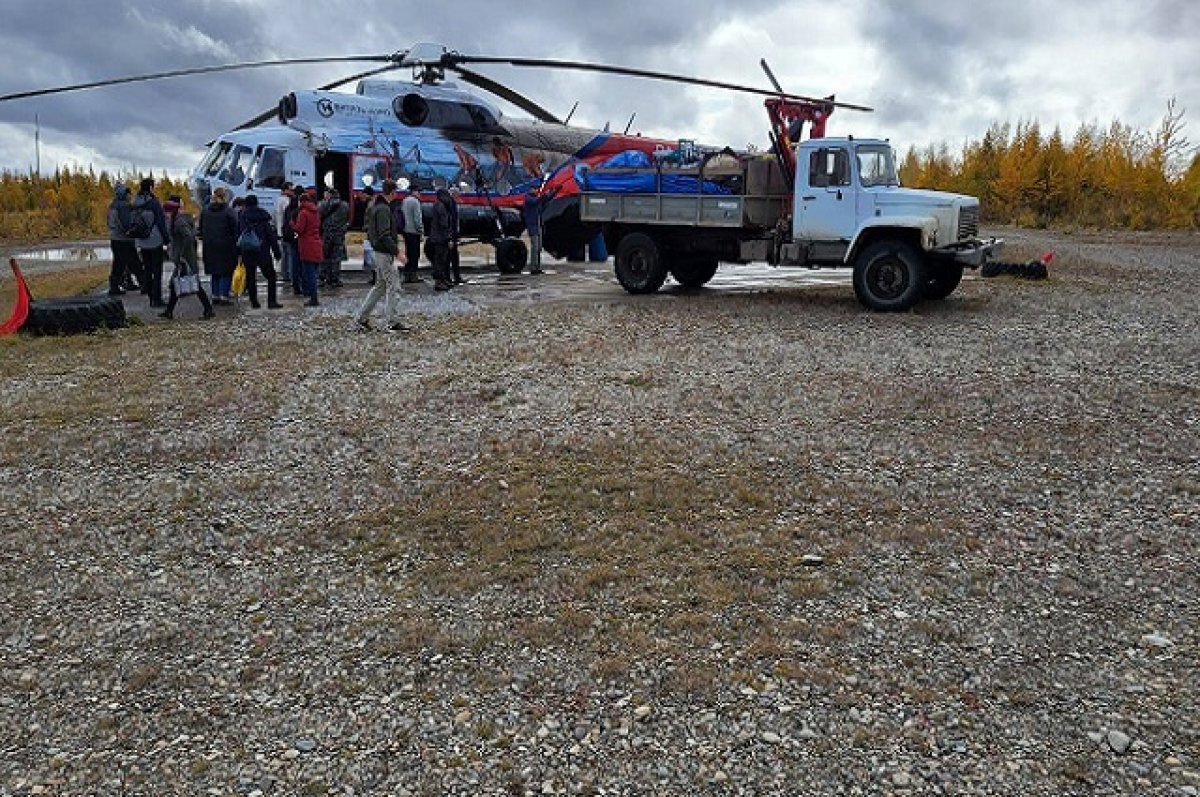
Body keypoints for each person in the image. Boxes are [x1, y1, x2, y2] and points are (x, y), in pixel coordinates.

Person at [354, 179, 410, 333]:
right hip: (384, 253)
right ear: (392, 192)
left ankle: (362, 318)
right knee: (394, 286)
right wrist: (397, 252)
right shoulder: (384, 209)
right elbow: (385, 234)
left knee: (380, 286)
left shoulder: (376, 207)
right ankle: (392, 320)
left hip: (379, 251)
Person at [159, 197, 215, 320]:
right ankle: (169, 311)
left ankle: (208, 309)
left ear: (170, 212)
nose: (165, 215)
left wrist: (182, 255)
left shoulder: (178, 222)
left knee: (193, 284)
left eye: (166, 212)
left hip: (185, 259)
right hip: (184, 259)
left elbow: (188, 237)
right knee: (177, 283)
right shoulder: (178, 220)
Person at [237, 194, 283, 309]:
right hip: (263, 251)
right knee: (271, 276)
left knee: (251, 277)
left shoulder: (242, 217)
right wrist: (276, 252)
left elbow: (238, 235)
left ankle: (254, 302)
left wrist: (238, 253)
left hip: (247, 251)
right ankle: (271, 301)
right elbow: (271, 236)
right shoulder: (263, 217)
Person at [131, 177, 171, 306]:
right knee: (157, 270)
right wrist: (166, 239)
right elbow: (160, 222)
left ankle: (150, 296)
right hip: (155, 240)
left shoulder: (135, 202)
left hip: (142, 240)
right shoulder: (154, 203)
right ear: (151, 188)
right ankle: (157, 299)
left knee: (147, 269)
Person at [199, 186, 239, 303]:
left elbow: (201, 228)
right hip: (226, 245)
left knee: (214, 272)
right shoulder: (229, 211)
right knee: (226, 271)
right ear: (225, 196)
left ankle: (215, 295)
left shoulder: (205, 210)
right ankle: (224, 295)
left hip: (209, 245)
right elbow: (235, 229)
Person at [105, 182, 141, 296]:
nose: (129, 196)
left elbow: (109, 222)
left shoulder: (112, 205)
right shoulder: (124, 206)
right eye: (127, 193)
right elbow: (126, 223)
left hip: (114, 238)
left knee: (118, 264)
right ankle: (146, 284)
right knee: (135, 263)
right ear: (123, 194)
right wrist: (134, 230)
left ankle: (114, 287)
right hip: (124, 239)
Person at [291, 192, 323, 306]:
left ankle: (313, 298)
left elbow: (299, 229)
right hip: (317, 243)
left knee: (309, 274)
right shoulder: (316, 212)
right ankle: (314, 296)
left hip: (307, 245)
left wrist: (292, 225)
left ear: (302, 202)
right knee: (314, 272)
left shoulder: (303, 213)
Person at [523, 185, 560, 275]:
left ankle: (537, 267)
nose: (536, 190)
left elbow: (545, 200)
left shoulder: (536, 199)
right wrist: (545, 195)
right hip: (533, 227)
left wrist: (555, 191)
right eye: (535, 188)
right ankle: (533, 268)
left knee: (538, 248)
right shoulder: (528, 198)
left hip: (539, 225)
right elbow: (537, 201)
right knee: (535, 247)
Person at [318, 188, 349, 288]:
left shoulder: (323, 204)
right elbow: (346, 219)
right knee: (336, 257)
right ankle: (335, 279)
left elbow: (319, 216)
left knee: (324, 256)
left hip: (327, 234)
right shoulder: (345, 205)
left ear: (330, 195)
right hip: (339, 234)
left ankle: (322, 278)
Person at [428, 187, 454, 291]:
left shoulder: (437, 205)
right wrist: (449, 238)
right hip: (441, 238)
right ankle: (439, 282)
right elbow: (444, 224)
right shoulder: (441, 206)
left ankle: (442, 280)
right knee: (440, 260)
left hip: (437, 237)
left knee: (440, 260)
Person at [399, 182, 424, 284]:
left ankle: (407, 274)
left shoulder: (405, 201)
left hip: (406, 231)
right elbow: (417, 219)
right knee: (415, 254)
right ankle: (413, 275)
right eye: (419, 192)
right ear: (414, 192)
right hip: (414, 231)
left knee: (408, 253)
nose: (420, 194)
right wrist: (421, 230)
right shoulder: (415, 202)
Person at [274, 182, 296, 284]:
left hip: (281, 231)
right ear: (285, 190)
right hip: (286, 231)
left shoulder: (278, 200)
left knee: (285, 255)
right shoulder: (285, 201)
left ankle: (285, 274)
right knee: (290, 254)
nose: (292, 192)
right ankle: (291, 275)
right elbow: (285, 217)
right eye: (291, 189)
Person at [447, 185, 464, 285]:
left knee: (453, 257)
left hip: (453, 235)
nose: (459, 196)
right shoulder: (451, 205)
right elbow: (451, 222)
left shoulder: (453, 204)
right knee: (452, 257)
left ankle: (455, 277)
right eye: (458, 194)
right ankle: (454, 277)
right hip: (451, 235)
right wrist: (452, 238)